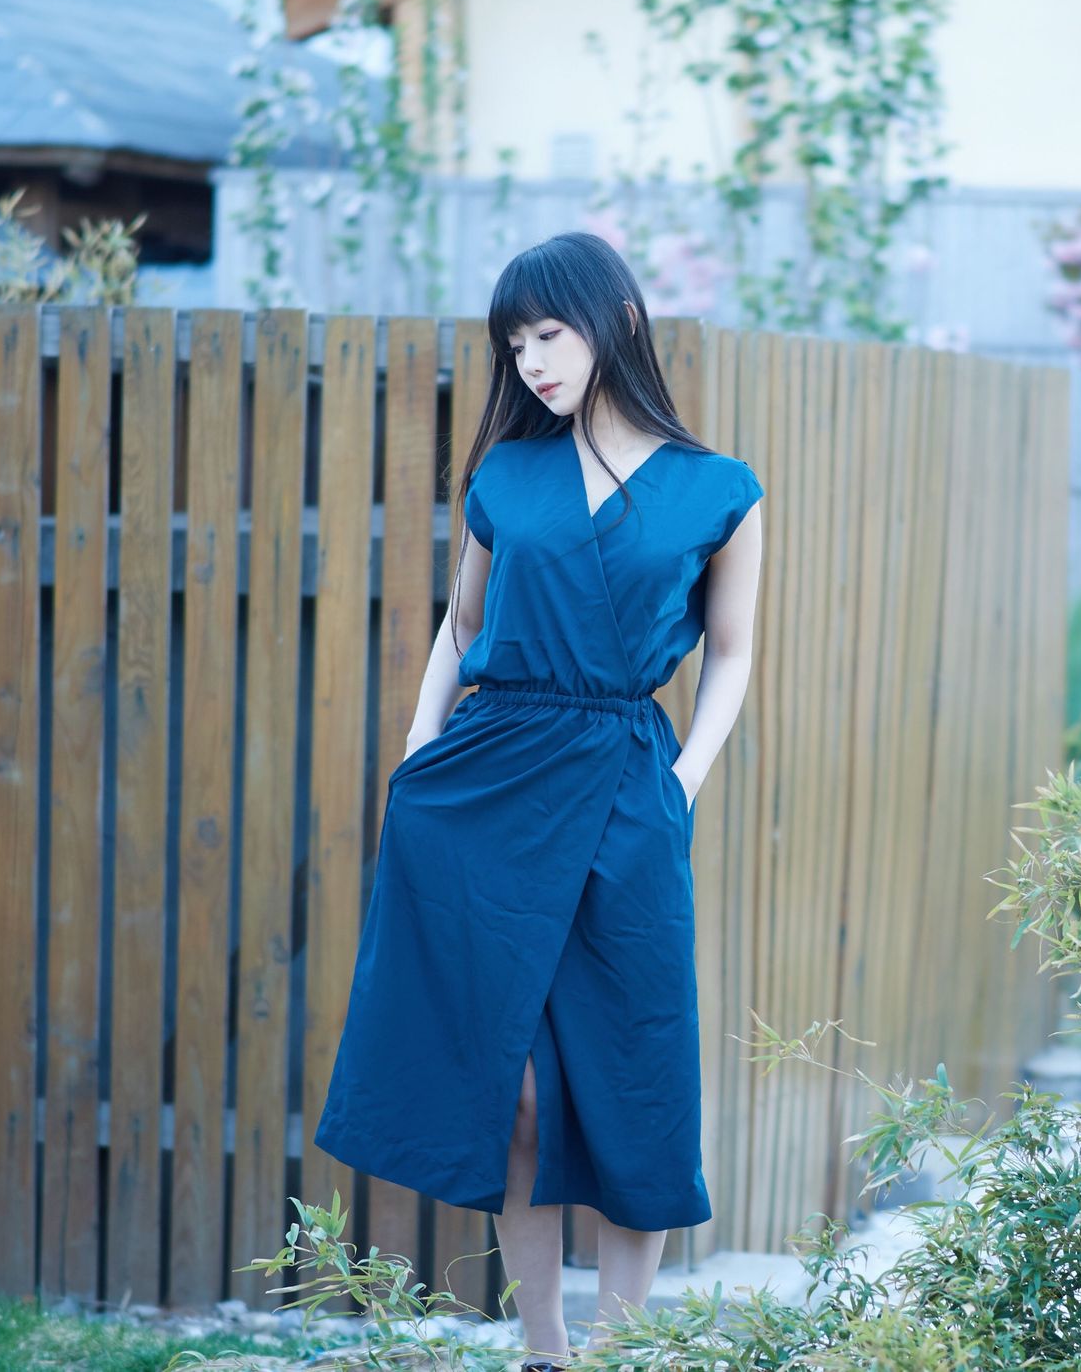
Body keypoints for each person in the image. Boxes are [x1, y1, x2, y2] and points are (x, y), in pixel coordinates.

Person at [313, 230, 765, 1369]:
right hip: (493, 781)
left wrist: (684, 778)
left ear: (617, 321)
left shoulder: (718, 489)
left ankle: (615, 1352)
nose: (531, 362)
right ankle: (545, 1351)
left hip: (626, 788)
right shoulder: (506, 477)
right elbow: (462, 627)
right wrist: (418, 749)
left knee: (634, 1082)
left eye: (549, 334)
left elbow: (732, 652)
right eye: (514, 344)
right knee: (508, 1089)